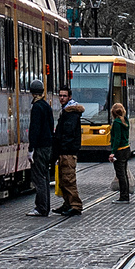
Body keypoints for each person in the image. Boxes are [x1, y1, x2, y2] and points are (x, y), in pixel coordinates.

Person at [54, 87, 85, 216]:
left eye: (64, 96)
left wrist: (63, 147)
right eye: (60, 96)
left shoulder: (70, 113)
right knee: (63, 180)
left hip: (68, 152)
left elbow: (68, 133)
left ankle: (75, 205)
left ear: (69, 97)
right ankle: (67, 203)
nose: (62, 98)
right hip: (64, 152)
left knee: (69, 179)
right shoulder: (66, 112)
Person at [27, 80, 55, 217]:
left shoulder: (37, 107)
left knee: (38, 177)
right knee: (45, 176)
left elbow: (34, 129)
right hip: (48, 146)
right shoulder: (46, 106)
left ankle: (41, 207)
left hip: (39, 147)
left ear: (32, 92)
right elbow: (51, 126)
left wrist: (31, 148)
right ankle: (45, 206)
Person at [109, 101, 132, 203]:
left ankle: (124, 196)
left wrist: (113, 152)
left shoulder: (117, 123)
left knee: (120, 174)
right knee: (124, 173)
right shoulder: (125, 121)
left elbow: (117, 139)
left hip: (120, 151)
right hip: (126, 149)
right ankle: (125, 195)